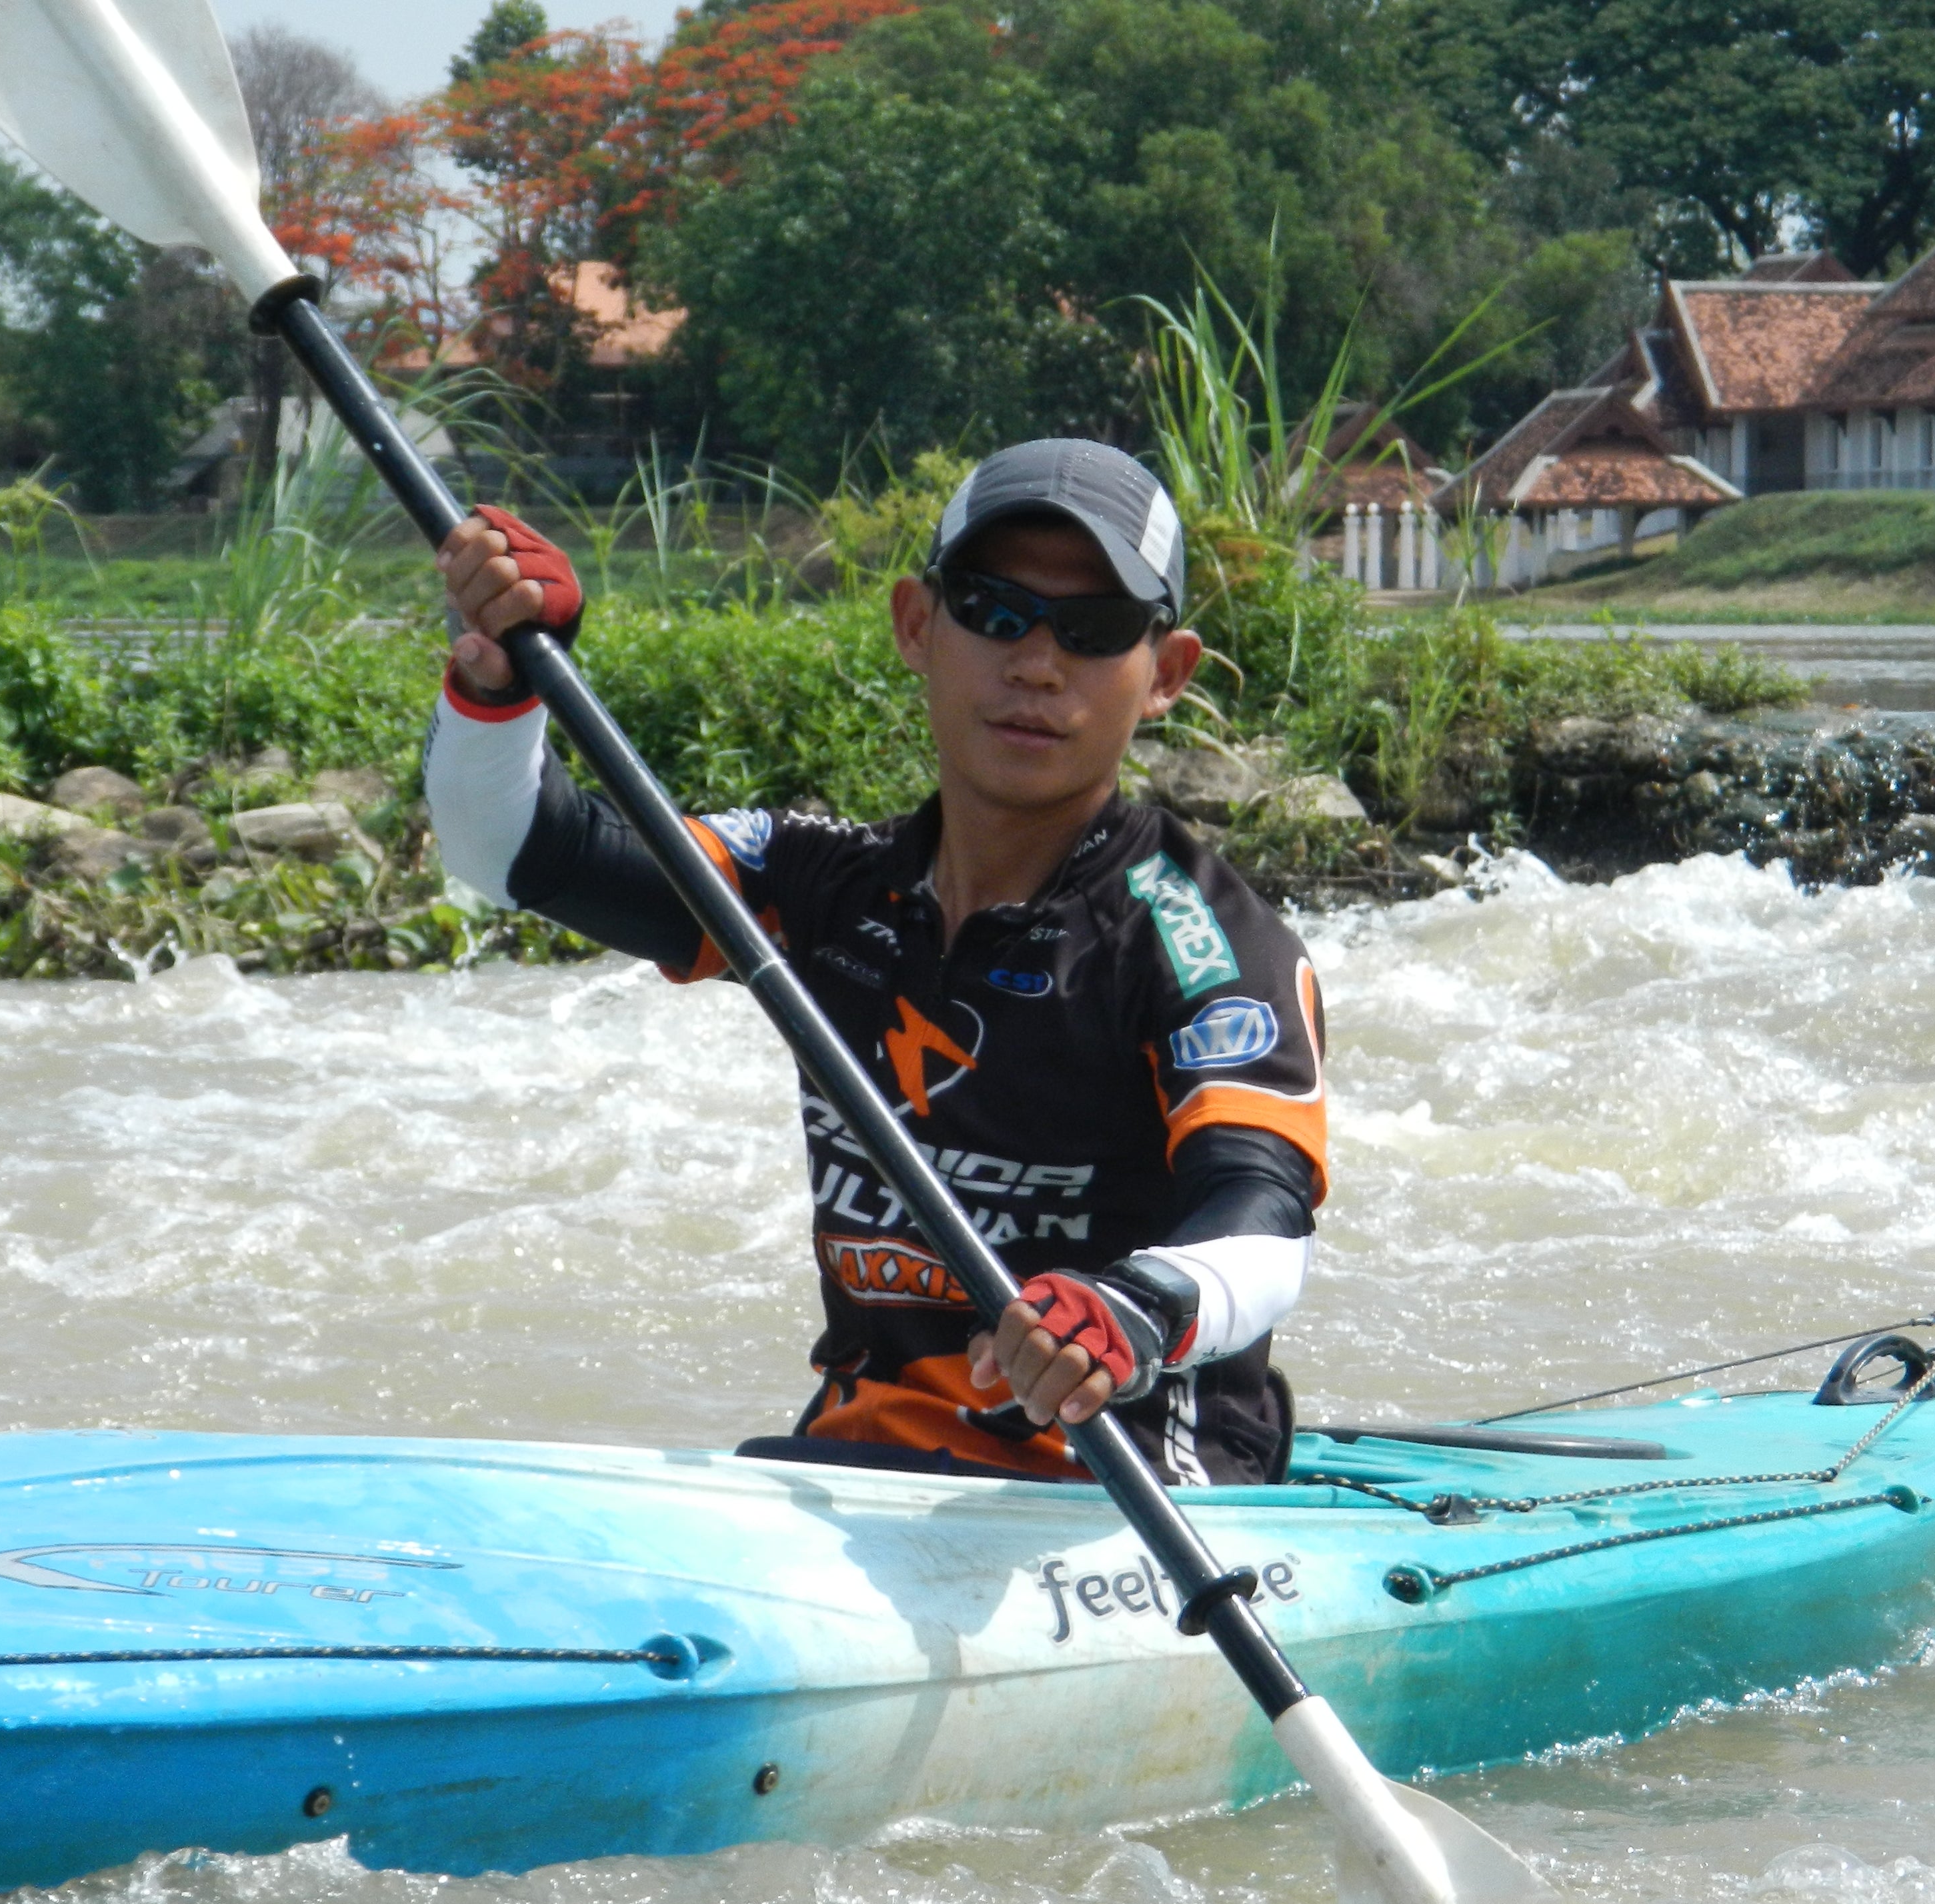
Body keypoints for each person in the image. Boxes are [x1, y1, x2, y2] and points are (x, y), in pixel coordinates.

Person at [419, 438, 1327, 1487]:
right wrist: (501, 681)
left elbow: (1264, 1224)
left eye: (1093, 631)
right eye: (993, 611)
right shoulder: (816, 884)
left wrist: (1138, 1305)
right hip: (853, 1472)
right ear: (916, 626)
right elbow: (517, 853)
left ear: (1163, 674)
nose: (1036, 664)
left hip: (1125, 1491)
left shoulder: (1202, 942)